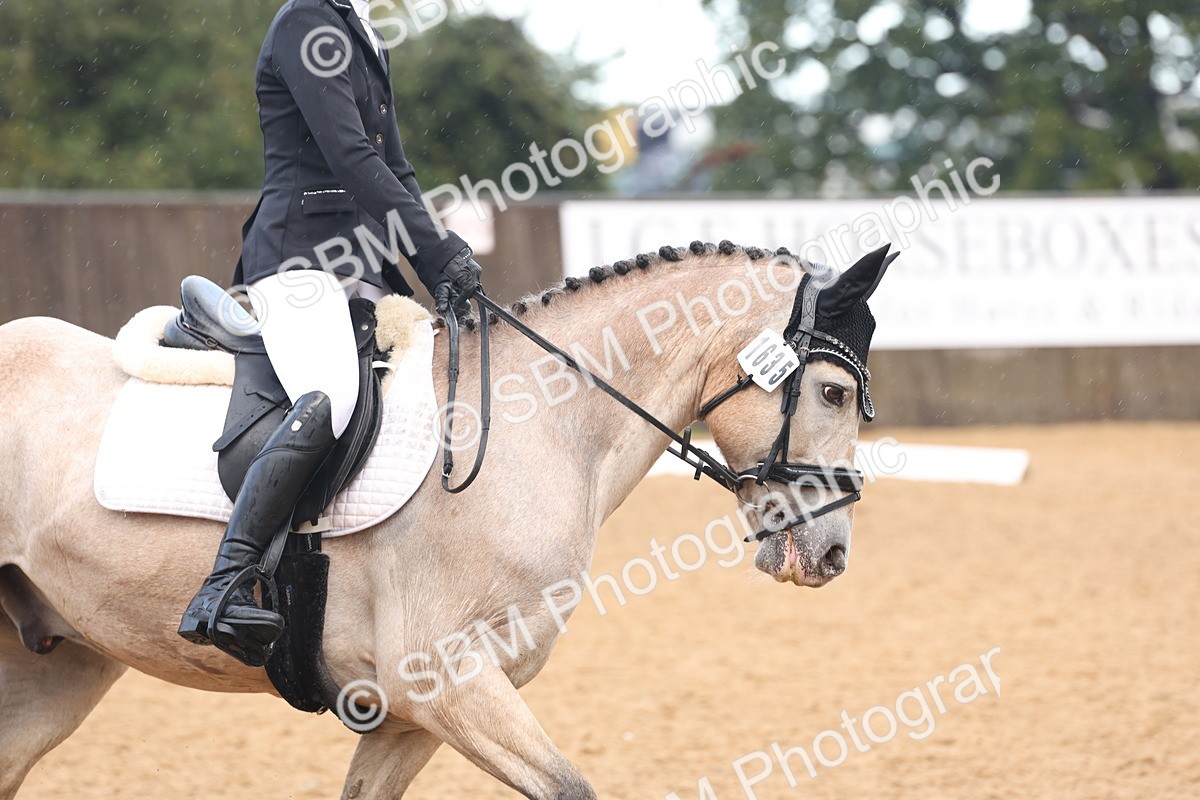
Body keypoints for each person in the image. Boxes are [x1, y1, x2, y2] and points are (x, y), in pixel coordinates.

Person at [178, 0, 482, 665]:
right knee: (332, 397)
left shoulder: (364, 33)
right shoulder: (305, 23)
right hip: (300, 261)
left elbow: (394, 169)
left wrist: (443, 266)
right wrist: (433, 251)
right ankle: (224, 585)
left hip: (363, 269)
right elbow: (348, 156)